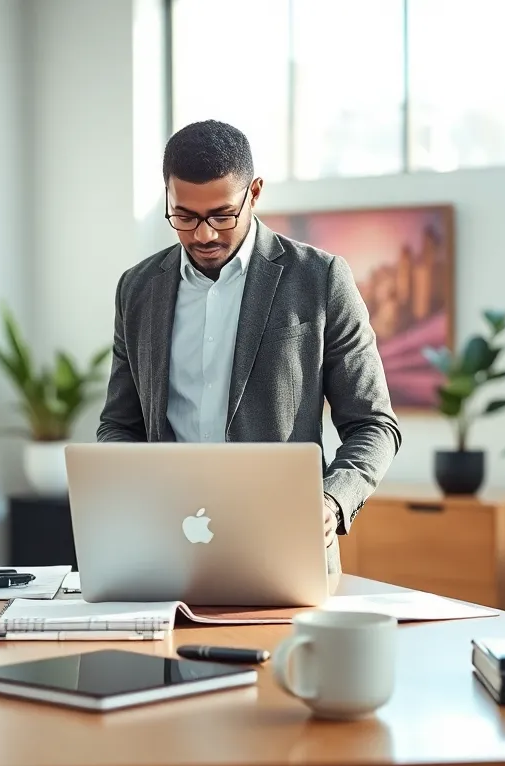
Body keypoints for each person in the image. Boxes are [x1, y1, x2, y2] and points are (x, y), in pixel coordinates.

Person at [96, 119, 402, 574]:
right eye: (184, 216)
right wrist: (122, 489)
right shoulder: (137, 289)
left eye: (222, 215)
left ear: (254, 193)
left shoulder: (319, 280)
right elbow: (119, 425)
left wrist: (332, 500)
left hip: (284, 553)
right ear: (167, 196)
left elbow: (374, 424)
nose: (204, 235)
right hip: (164, 553)